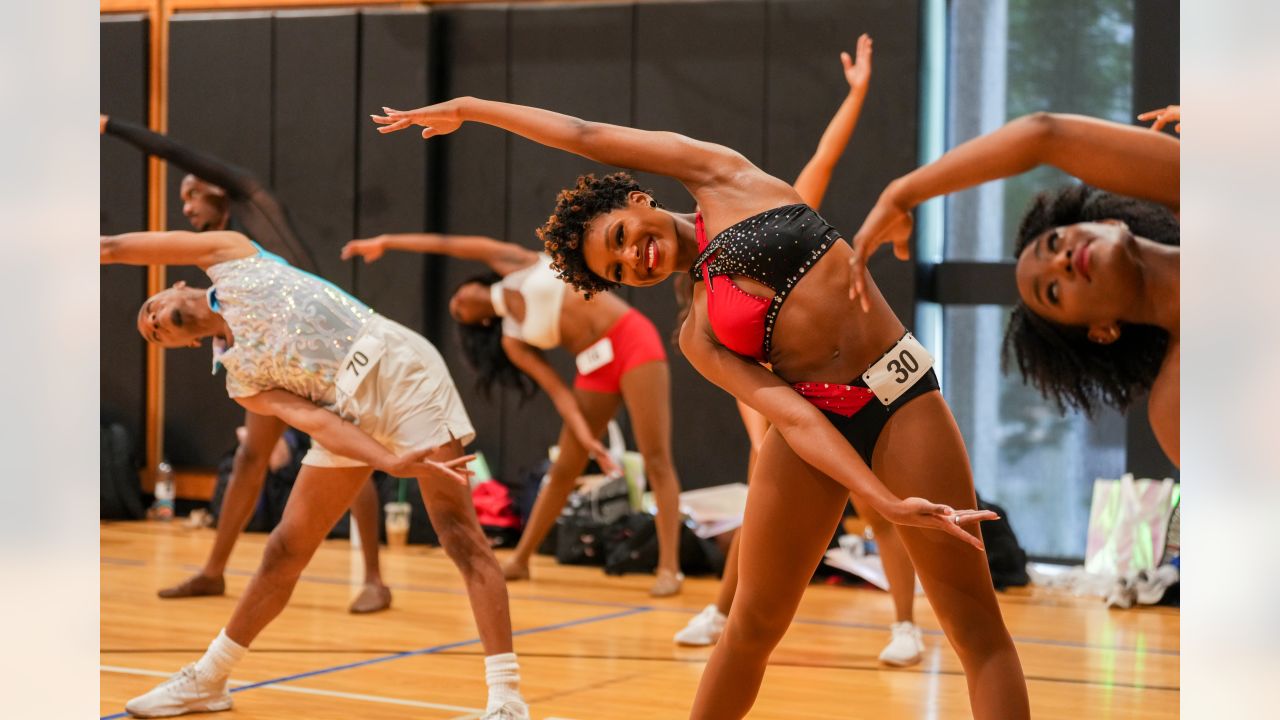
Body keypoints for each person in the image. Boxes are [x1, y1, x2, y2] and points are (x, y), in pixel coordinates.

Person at [370, 72, 1023, 720]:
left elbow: (588, 136)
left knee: (975, 629)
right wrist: (877, 497)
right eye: (619, 270)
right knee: (750, 628)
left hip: (901, 394)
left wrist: (475, 107)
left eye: (622, 237)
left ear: (639, 199)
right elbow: (793, 417)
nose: (635, 258)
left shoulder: (723, 176)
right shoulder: (699, 335)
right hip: (817, 424)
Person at [102, 229, 529, 720]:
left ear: (175, 286)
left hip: (400, 372)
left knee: (458, 533)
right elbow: (317, 422)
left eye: (151, 309)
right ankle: (209, 679)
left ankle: (506, 699)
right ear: (183, 344)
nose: (155, 321)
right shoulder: (242, 380)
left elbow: (114, 248)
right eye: (154, 334)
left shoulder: (231, 255)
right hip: (342, 410)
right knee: (285, 548)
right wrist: (388, 461)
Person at [669, 35, 925, 667]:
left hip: (849, 371)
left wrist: (858, 92)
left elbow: (823, 158)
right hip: (784, 392)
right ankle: (723, 608)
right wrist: (772, 440)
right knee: (764, 492)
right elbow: (760, 401)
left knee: (876, 502)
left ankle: (905, 624)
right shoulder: (707, 318)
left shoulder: (764, 212)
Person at [101, 114, 391, 611]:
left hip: (316, 352)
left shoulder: (254, 208)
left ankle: (373, 577)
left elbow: (174, 151)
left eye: (191, 196)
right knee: (250, 460)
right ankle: (213, 571)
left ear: (216, 188)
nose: (187, 207)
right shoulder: (217, 261)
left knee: (346, 454)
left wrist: (110, 125)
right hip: (266, 359)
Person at [341, 231, 687, 597]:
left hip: (630, 338)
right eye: (457, 313)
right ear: (479, 323)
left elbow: (449, 245)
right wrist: (589, 440)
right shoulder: (513, 340)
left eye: (457, 297)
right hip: (593, 366)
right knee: (564, 469)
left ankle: (669, 568)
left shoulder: (516, 264)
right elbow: (559, 394)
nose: (457, 302)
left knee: (656, 458)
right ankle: (521, 559)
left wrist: (388, 243)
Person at [848, 109, 1179, 465]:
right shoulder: (1173, 405)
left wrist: (901, 195)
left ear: (1109, 222)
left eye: (1054, 243)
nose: (1060, 262)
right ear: (1101, 331)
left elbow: (1045, 134)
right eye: (1051, 292)